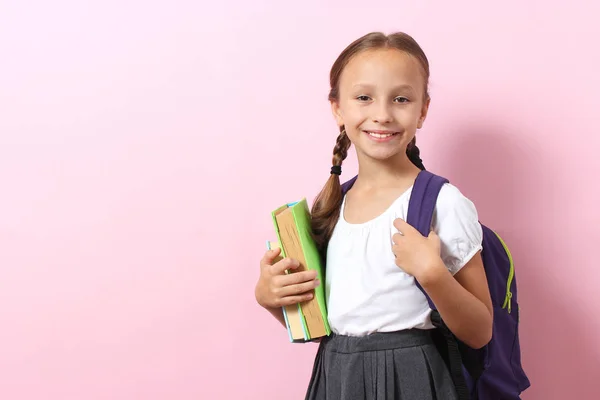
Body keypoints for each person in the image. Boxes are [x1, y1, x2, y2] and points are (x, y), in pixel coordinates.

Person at [254, 31, 493, 400]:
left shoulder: (442, 202)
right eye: (364, 97)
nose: (381, 115)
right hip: (337, 374)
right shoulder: (332, 205)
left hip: (414, 378)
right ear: (337, 108)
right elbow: (327, 326)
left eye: (401, 99)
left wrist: (433, 275)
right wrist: (271, 298)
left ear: (423, 110)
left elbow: (480, 331)